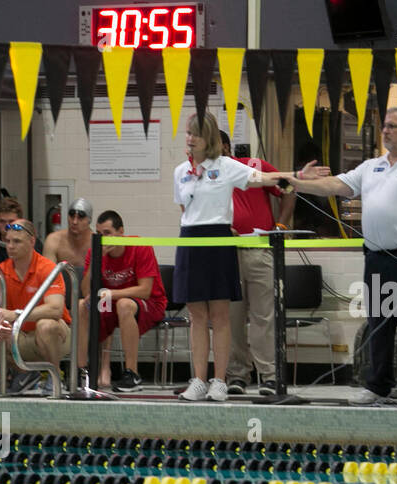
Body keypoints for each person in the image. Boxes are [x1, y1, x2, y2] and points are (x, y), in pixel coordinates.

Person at [289, 107, 397, 407]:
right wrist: (299, 181)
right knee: (379, 323)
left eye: (393, 126)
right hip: (376, 257)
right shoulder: (371, 166)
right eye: (384, 126)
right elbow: (336, 184)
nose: (385, 131)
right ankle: (378, 385)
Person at [172, 112, 303, 402]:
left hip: (219, 240)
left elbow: (264, 178)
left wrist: (295, 178)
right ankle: (198, 379)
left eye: (195, 133)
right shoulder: (180, 171)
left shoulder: (227, 166)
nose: (190, 138)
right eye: (188, 133)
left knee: (220, 315)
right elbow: (186, 211)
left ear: (208, 138)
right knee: (196, 316)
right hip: (192, 240)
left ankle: (220, 380)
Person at [222, 131, 296, 396]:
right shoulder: (204, 175)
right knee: (231, 318)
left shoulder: (253, 166)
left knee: (264, 316)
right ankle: (237, 375)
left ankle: (270, 375)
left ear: (227, 147)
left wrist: (281, 225)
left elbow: (288, 187)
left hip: (259, 249)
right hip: (226, 253)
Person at [0, 218, 70, 393]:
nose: (10, 246)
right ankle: (25, 372)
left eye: (17, 241)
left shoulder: (47, 268)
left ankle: (55, 375)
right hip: (17, 335)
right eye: (8, 241)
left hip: (55, 337)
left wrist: (16, 314)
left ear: (32, 241)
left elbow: (55, 309)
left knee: (46, 325)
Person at [75, 210, 167, 391]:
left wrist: (111, 294)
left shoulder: (139, 246)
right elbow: (87, 292)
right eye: (100, 234)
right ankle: (82, 371)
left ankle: (132, 374)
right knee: (81, 306)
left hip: (149, 303)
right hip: (111, 301)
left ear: (121, 232)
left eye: (107, 233)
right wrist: (96, 261)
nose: (103, 238)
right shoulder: (95, 251)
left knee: (125, 304)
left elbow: (145, 290)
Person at [42, 197, 93, 278]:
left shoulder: (95, 243)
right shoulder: (54, 240)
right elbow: (47, 277)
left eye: (80, 217)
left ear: (89, 221)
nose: (75, 222)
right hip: (60, 289)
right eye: (72, 216)